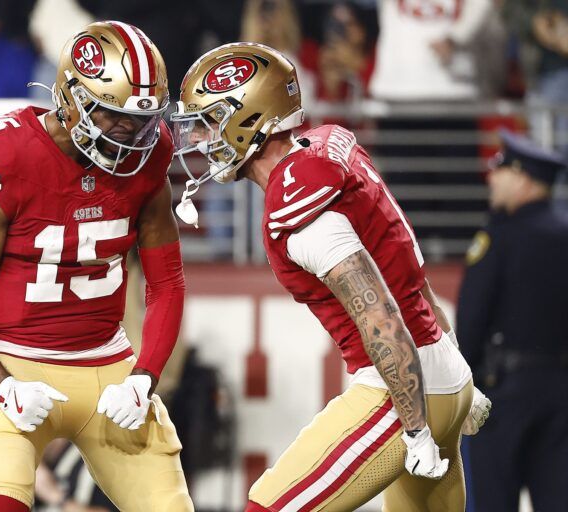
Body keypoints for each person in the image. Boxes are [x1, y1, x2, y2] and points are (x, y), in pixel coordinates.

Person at [171, 42, 491, 511]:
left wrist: (416, 428)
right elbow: (409, 274)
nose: (201, 140)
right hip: (440, 372)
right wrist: (456, 372)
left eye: (211, 122)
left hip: (401, 393)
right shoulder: (327, 144)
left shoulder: (298, 198)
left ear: (249, 119)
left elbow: (379, 314)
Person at [0, 21, 193, 512]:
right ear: (72, 98)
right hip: (17, 364)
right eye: (113, 115)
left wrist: (144, 377)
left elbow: (167, 283)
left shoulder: (148, 156)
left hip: (109, 367)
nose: (131, 133)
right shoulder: (9, 155)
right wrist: (1, 385)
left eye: (141, 119)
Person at [457, 131, 568, 512]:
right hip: (560, 393)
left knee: (491, 502)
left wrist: (462, 388)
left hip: (501, 395)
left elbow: (471, 319)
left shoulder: (499, 237)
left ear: (522, 179)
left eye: (500, 169)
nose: (491, 177)